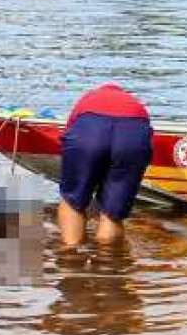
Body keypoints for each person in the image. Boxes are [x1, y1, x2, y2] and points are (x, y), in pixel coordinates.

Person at [57, 82, 153, 248]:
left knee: (73, 202)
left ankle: (70, 256)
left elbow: (69, 134)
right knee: (112, 213)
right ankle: (105, 260)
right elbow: (146, 134)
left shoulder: (88, 98)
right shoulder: (135, 103)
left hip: (89, 132)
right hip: (132, 138)